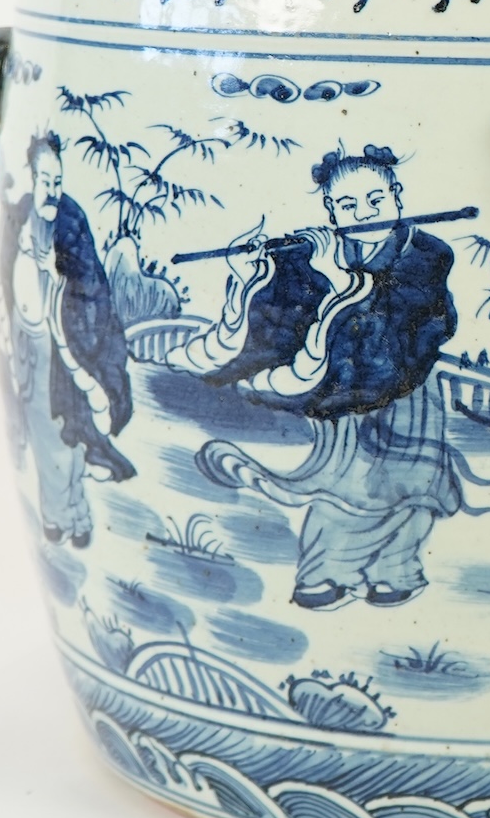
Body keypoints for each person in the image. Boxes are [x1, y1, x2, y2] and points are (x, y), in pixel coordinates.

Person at [169, 146, 463, 610]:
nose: (363, 214)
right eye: (347, 205)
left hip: (407, 387)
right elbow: (285, 315)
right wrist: (256, 272)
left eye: (375, 201)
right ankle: (327, 573)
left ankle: (396, 570)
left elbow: (400, 328)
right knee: (349, 481)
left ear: (397, 196)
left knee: (413, 478)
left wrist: (341, 280)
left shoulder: (426, 255)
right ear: (330, 210)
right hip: (349, 394)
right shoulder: (319, 253)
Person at [3, 131, 134, 546]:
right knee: (47, 433)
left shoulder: (69, 221)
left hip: (62, 346)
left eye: (58, 181)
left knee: (63, 433)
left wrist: (54, 274)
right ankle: (64, 518)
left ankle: (70, 517)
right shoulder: (23, 212)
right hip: (28, 339)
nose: (53, 191)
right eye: (46, 181)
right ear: (32, 177)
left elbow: (90, 287)